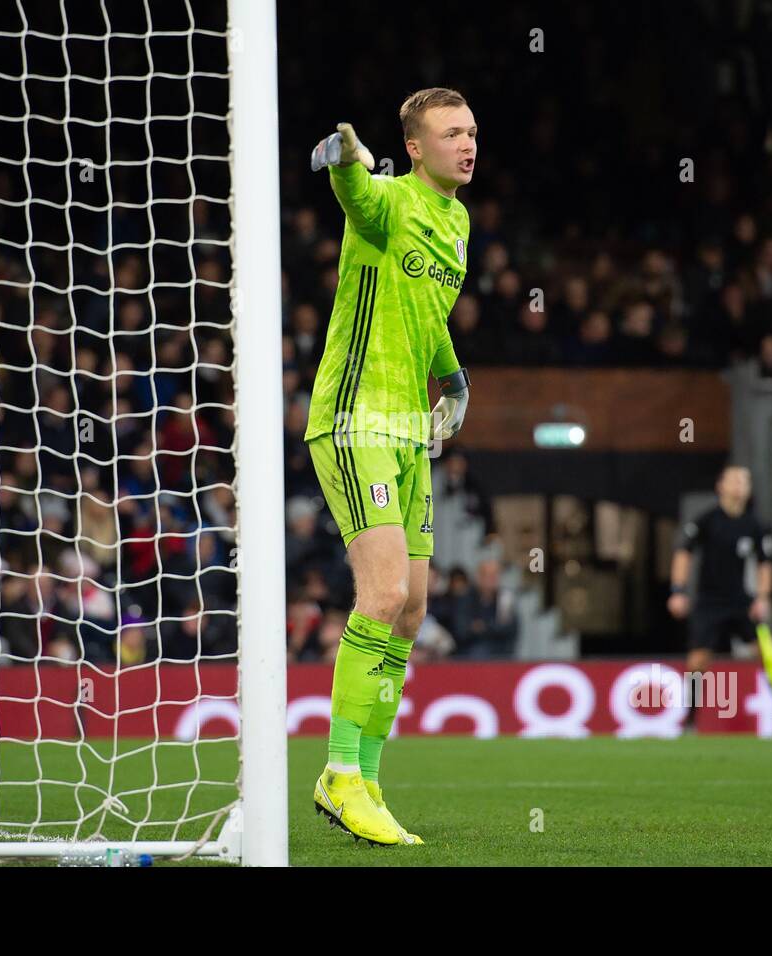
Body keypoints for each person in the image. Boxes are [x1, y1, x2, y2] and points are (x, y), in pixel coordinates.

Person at [304, 87, 476, 846]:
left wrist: (455, 375)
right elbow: (354, 186)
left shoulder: (459, 220)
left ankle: (368, 776)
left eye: (472, 131)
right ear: (414, 146)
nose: (468, 144)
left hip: (411, 430)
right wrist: (346, 154)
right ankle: (338, 774)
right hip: (355, 417)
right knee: (382, 593)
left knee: (413, 610)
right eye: (450, 133)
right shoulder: (385, 201)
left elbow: (428, 316)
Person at [667, 466, 772, 733]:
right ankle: (690, 721)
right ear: (720, 486)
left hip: (741, 601)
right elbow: (683, 553)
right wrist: (677, 590)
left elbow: (764, 565)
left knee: (769, 655)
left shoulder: (755, 525)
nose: (740, 485)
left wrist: (762, 597)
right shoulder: (706, 521)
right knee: (698, 660)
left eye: (744, 481)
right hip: (709, 602)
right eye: (734, 480)